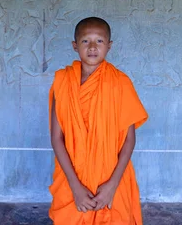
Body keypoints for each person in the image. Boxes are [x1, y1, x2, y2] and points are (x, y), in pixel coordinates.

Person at [48, 17, 148, 224]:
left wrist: (112, 185)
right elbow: (57, 138)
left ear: (109, 46)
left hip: (112, 178)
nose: (92, 47)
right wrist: (75, 187)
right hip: (72, 178)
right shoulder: (63, 82)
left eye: (99, 41)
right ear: (75, 46)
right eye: (85, 41)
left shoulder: (120, 83)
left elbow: (129, 140)